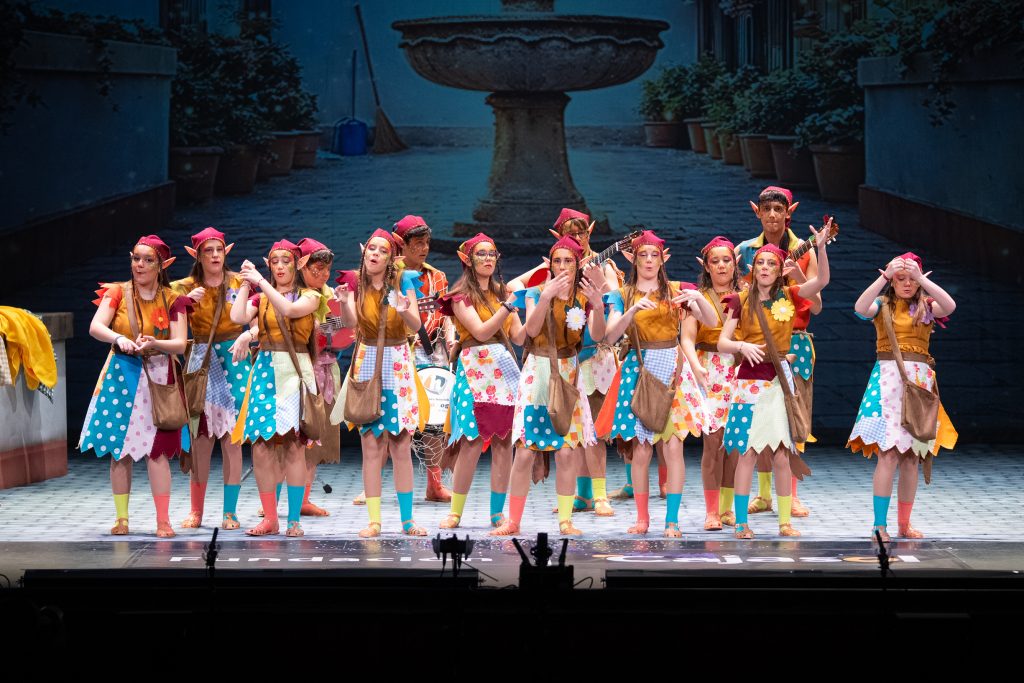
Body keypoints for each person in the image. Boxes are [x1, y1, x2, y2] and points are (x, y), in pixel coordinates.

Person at [596, 230, 716, 536]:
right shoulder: (623, 295)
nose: (649, 260)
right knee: (641, 450)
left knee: (673, 447)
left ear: (664, 259)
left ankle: (672, 520)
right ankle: (642, 518)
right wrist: (632, 311)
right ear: (633, 259)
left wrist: (699, 299)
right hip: (639, 372)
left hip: (673, 371)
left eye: (654, 255)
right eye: (643, 255)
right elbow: (609, 336)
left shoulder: (677, 290)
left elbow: (712, 322)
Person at [717, 224, 831, 539]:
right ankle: (742, 523)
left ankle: (784, 522)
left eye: (772, 264)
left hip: (779, 383)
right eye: (761, 263)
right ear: (753, 269)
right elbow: (723, 342)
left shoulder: (791, 295)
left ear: (781, 270)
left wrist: (821, 248)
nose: (765, 268)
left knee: (782, 453)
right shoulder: (740, 300)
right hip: (749, 385)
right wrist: (742, 346)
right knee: (747, 453)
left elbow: (821, 281)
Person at [492, 235, 606, 536]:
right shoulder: (535, 293)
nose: (563, 266)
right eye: (558, 261)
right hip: (538, 373)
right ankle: (513, 521)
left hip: (568, 373)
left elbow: (597, 336)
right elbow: (530, 331)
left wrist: (598, 306)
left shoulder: (582, 296)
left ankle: (565, 520)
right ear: (550, 265)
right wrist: (546, 297)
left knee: (566, 451)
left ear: (578, 264)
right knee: (525, 451)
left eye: (569, 261)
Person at [80, 235, 189, 537]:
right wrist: (119, 338)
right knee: (120, 450)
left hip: (159, 376)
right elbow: (95, 326)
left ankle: (163, 520)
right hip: (122, 373)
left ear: (162, 265)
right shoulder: (117, 292)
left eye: (148, 260)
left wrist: (156, 343)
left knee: (158, 452)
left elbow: (180, 344)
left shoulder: (173, 300)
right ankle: (122, 518)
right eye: (136, 258)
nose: (139, 265)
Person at [848, 252, 958, 541]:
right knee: (888, 454)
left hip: (918, 384)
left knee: (911, 457)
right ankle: (879, 525)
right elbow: (860, 307)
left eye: (912, 279)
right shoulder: (882, 305)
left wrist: (923, 280)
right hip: (888, 383)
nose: (907, 284)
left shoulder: (927, 306)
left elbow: (950, 305)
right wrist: (884, 276)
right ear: (892, 281)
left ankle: (904, 524)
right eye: (901, 278)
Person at [332, 228, 428, 537]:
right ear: (364, 252)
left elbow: (416, 323)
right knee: (371, 447)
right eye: (371, 248)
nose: (375, 254)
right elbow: (350, 324)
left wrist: (403, 308)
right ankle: (374, 520)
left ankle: (407, 520)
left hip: (397, 362)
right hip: (367, 360)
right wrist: (344, 301)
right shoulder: (355, 282)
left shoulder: (403, 281)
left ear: (391, 258)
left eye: (382, 250)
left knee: (400, 446)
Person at [736, 186, 820, 518]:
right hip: (757, 343)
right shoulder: (745, 251)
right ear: (756, 211)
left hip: (794, 340)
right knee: (759, 419)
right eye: (767, 209)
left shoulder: (804, 251)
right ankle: (763, 493)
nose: (773, 215)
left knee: (791, 418)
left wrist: (796, 274)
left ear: (790, 212)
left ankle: (791, 494)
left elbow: (817, 304)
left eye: (779, 209)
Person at [229, 240, 320, 537]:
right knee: (261, 446)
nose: (280, 267)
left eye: (286, 261)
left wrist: (261, 283)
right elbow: (237, 317)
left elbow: (290, 310)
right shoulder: (262, 298)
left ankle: (293, 520)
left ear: (297, 265)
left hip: (293, 371)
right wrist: (246, 284)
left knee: (293, 446)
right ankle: (270, 518)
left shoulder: (310, 296)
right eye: (274, 262)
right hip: (265, 371)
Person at [437, 233, 524, 529]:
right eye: (481, 254)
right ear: (469, 260)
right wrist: (508, 306)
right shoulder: (460, 296)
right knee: (471, 442)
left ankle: (497, 513)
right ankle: (456, 511)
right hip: (474, 370)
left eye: (492, 254)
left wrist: (540, 306)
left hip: (504, 371)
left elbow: (519, 337)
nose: (488, 259)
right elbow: (481, 331)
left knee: (504, 443)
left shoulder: (502, 294)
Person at [172, 227, 253, 531]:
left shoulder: (239, 283)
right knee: (200, 440)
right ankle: (196, 511)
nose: (216, 255)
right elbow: (160, 320)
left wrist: (248, 335)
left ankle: (230, 511)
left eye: (219, 250)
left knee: (232, 441)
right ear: (197, 255)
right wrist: (180, 304)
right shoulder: (182, 287)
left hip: (235, 360)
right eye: (209, 251)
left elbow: (261, 319)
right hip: (201, 361)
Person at [549, 208, 622, 516]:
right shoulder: (557, 269)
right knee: (574, 430)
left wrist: (599, 285)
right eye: (570, 233)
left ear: (590, 232)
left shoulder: (602, 265)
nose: (576, 238)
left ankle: (601, 495)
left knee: (596, 431)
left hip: (596, 356)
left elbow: (616, 300)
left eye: (581, 232)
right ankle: (583, 495)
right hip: (568, 359)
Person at [681, 236, 742, 530]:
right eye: (715, 261)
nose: (721, 266)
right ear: (705, 266)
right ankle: (711, 511)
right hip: (709, 371)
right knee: (713, 443)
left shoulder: (746, 295)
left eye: (726, 260)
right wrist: (695, 367)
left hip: (740, 371)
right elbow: (687, 338)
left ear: (735, 263)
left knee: (735, 444)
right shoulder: (696, 297)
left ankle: (728, 508)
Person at [393, 214, 455, 503]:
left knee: (434, 419)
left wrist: (450, 339)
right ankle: (372, 486)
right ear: (402, 245)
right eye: (418, 243)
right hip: (399, 350)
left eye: (427, 242)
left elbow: (446, 313)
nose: (425, 248)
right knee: (392, 417)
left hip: (433, 350)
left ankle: (435, 484)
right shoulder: (389, 276)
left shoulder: (437, 277)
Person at [292, 237, 342, 517]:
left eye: (327, 270)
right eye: (317, 269)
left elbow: (340, 332)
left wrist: (343, 313)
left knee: (313, 437)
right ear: (302, 268)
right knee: (287, 437)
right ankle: (273, 500)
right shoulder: (292, 295)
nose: (323, 275)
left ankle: (303, 499)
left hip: (324, 369)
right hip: (297, 370)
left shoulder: (331, 294)